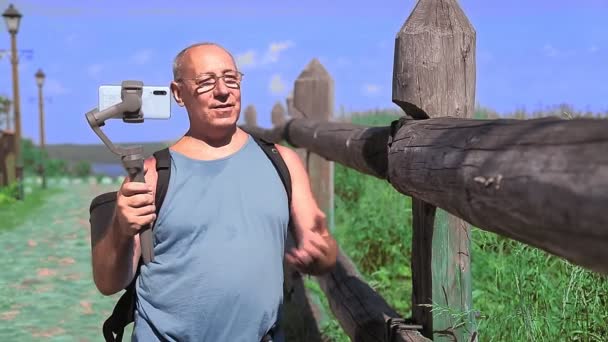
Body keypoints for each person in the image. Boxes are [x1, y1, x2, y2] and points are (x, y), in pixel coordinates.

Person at [90, 42, 338, 341]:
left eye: (231, 79)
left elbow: (324, 252)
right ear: (178, 93)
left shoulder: (283, 163)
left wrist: (321, 253)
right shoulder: (152, 174)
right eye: (206, 82)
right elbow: (107, 282)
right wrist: (119, 227)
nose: (223, 91)